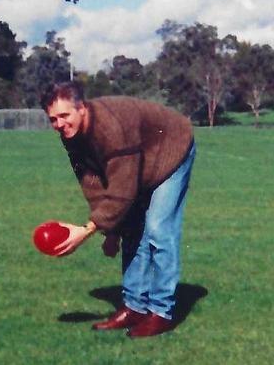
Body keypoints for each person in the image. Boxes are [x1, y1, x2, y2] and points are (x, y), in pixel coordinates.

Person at [40, 82, 196, 338]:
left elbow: (122, 192)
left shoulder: (112, 127)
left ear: (81, 108)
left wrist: (87, 230)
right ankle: (135, 306)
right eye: (53, 119)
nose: (59, 124)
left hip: (171, 149)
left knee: (158, 228)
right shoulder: (71, 134)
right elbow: (92, 182)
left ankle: (161, 311)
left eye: (64, 115)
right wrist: (111, 231)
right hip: (140, 159)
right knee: (132, 228)